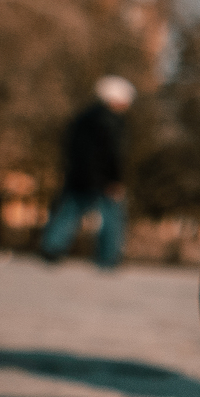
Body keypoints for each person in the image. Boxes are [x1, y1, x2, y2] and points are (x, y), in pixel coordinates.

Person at [42, 75, 134, 268]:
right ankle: (108, 257)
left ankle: (52, 249)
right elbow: (112, 153)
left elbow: (70, 147)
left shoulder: (82, 118)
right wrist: (114, 179)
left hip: (78, 176)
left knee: (69, 213)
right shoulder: (112, 121)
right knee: (111, 218)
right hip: (102, 179)